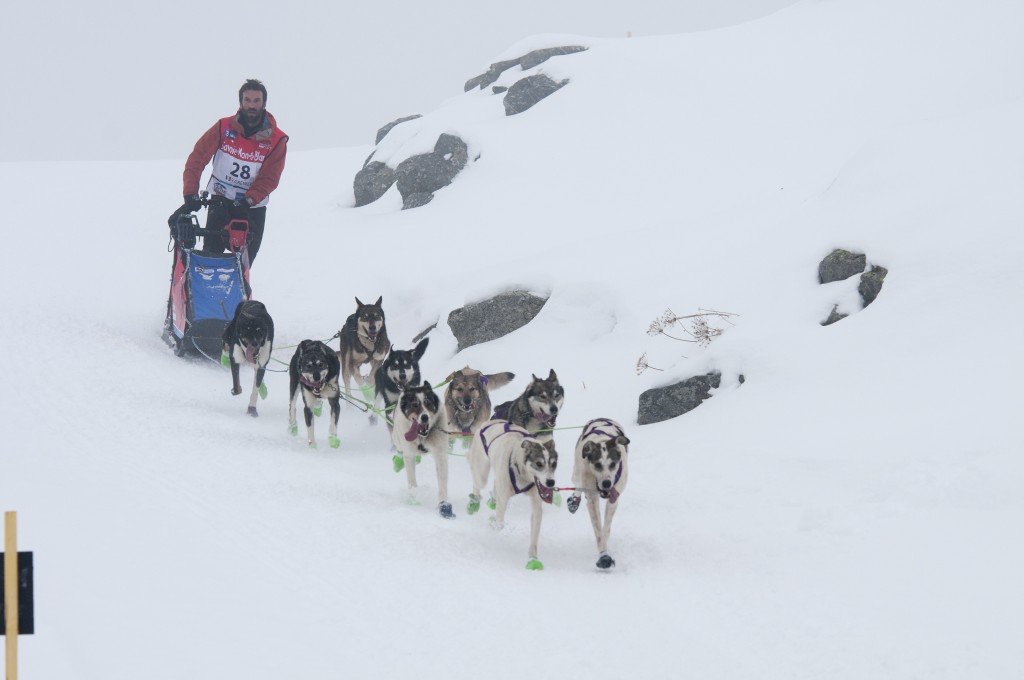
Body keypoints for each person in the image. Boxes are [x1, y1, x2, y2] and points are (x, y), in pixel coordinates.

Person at [181, 79, 288, 265]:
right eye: (247, 100)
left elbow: (270, 177)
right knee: (210, 257)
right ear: (240, 102)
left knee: (243, 265)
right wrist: (190, 192)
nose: (251, 105)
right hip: (220, 200)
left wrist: (249, 200)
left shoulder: (276, 139)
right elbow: (197, 158)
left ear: (264, 103)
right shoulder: (223, 127)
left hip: (251, 208)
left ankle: (241, 294)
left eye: (256, 101)